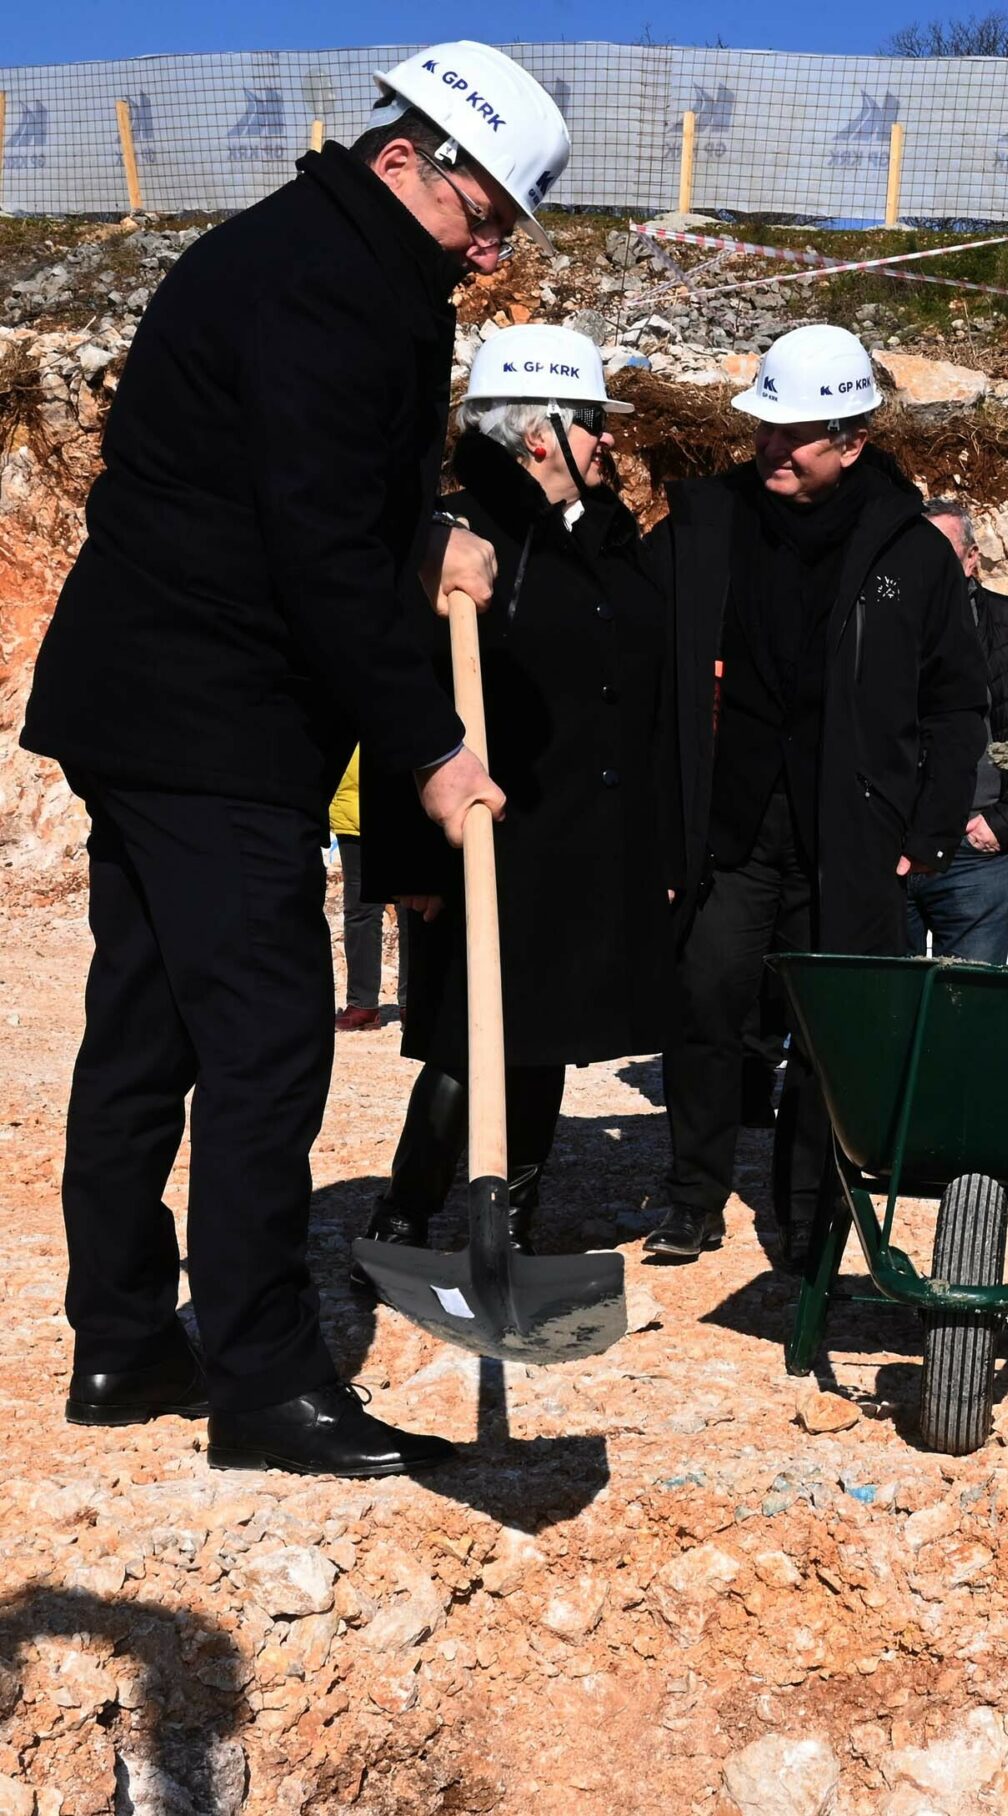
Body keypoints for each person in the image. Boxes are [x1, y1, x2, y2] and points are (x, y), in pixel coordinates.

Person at [21, 44, 568, 1476]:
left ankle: (127, 1339)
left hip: (141, 702)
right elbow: (314, 547)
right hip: (215, 716)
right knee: (264, 1048)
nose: (490, 247)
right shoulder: (336, 285)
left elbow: (301, 485)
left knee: (145, 1029)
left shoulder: (307, 253)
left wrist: (424, 533)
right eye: (484, 213)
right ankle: (262, 1380)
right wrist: (436, 749)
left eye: (508, 224)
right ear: (408, 159)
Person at [647, 325, 988, 1261]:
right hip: (729, 824)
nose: (771, 448)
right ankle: (691, 1198)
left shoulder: (910, 555)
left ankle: (809, 1208)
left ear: (852, 441)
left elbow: (958, 706)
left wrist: (926, 828)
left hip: (853, 835)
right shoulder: (706, 524)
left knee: (831, 1029)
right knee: (707, 1000)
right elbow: (626, 631)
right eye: (764, 428)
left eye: (794, 434)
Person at [350, 324, 671, 1277]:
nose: (610, 442)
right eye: (592, 425)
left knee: (548, 1040)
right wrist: (410, 866)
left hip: (584, 843)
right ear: (540, 434)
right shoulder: (453, 540)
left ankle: (518, 1227)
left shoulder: (609, 546)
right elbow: (395, 707)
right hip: (486, 842)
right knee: (466, 1038)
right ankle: (404, 1222)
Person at [906, 498, 1008, 964]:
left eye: (941, 553)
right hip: (891, 848)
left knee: (967, 1010)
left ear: (972, 558)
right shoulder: (873, 626)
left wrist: (1005, 821)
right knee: (888, 1009)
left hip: (978, 854)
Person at [331, 751, 398, 1033]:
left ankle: (414, 1005)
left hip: (403, 810)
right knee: (359, 909)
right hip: (351, 812)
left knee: (413, 911)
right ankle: (363, 1004)